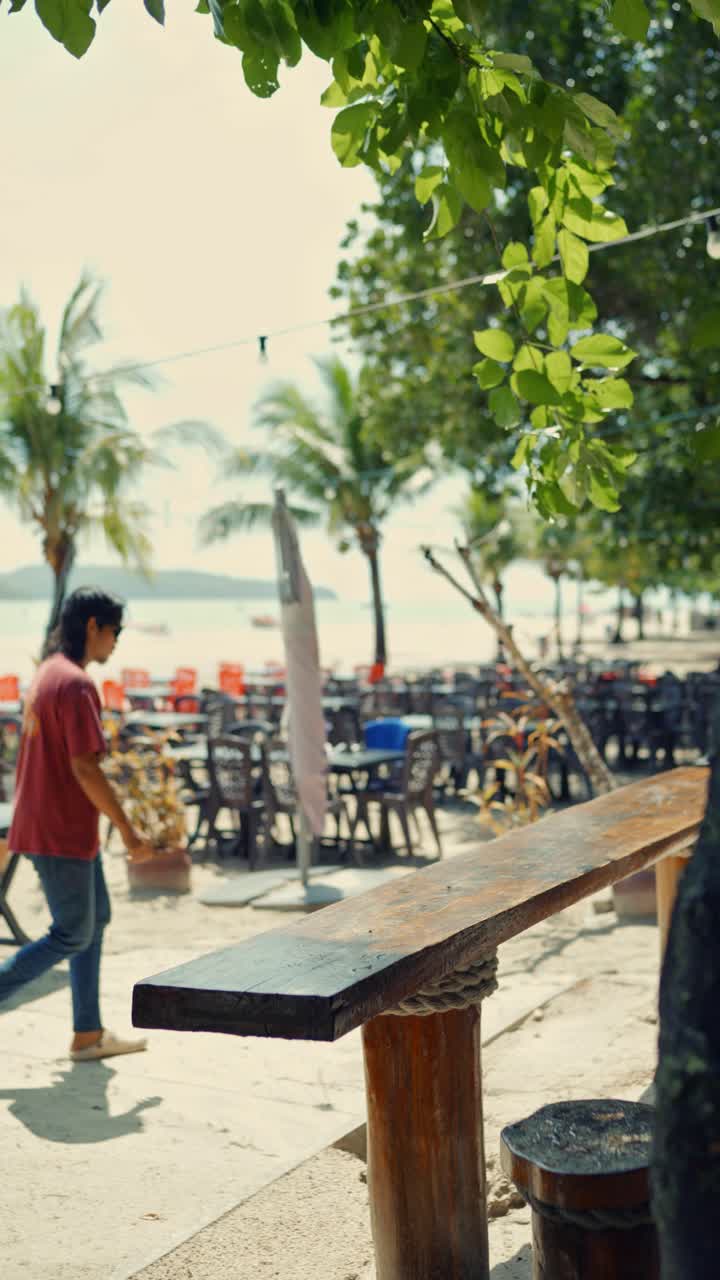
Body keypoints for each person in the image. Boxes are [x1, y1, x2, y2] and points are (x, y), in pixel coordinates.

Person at [0, 586, 155, 1060]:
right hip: (59, 828)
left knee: (95, 920)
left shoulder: (48, 673)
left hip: (56, 824)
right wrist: (128, 830)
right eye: (116, 632)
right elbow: (85, 766)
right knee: (71, 932)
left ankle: (87, 1033)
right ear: (93, 627)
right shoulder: (76, 684)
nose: (117, 642)